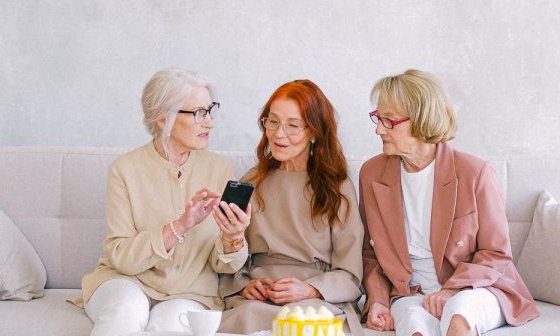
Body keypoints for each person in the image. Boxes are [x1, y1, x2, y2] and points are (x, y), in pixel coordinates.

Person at [71, 68, 251, 336]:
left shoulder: (220, 170)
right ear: (163, 118)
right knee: (128, 309)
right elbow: (120, 256)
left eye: (210, 110)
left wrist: (233, 238)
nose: (210, 123)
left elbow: (223, 265)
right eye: (199, 113)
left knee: (173, 326)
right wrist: (179, 226)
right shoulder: (125, 170)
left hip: (191, 291)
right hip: (125, 281)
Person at [359, 69, 539, 336]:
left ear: (421, 120)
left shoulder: (473, 172)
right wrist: (377, 302)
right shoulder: (372, 174)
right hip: (409, 293)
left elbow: (495, 253)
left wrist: (451, 289)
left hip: (475, 288)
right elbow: (371, 255)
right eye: (377, 118)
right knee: (414, 328)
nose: (378, 129)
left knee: (459, 317)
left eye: (388, 121)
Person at [218, 80, 364, 335]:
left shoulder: (337, 187)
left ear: (315, 132)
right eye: (272, 121)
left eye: (293, 126)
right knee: (248, 315)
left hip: (315, 300)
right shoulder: (251, 182)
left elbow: (350, 273)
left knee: (303, 323)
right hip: (258, 301)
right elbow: (234, 259)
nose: (278, 134)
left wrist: (311, 290)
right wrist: (246, 286)